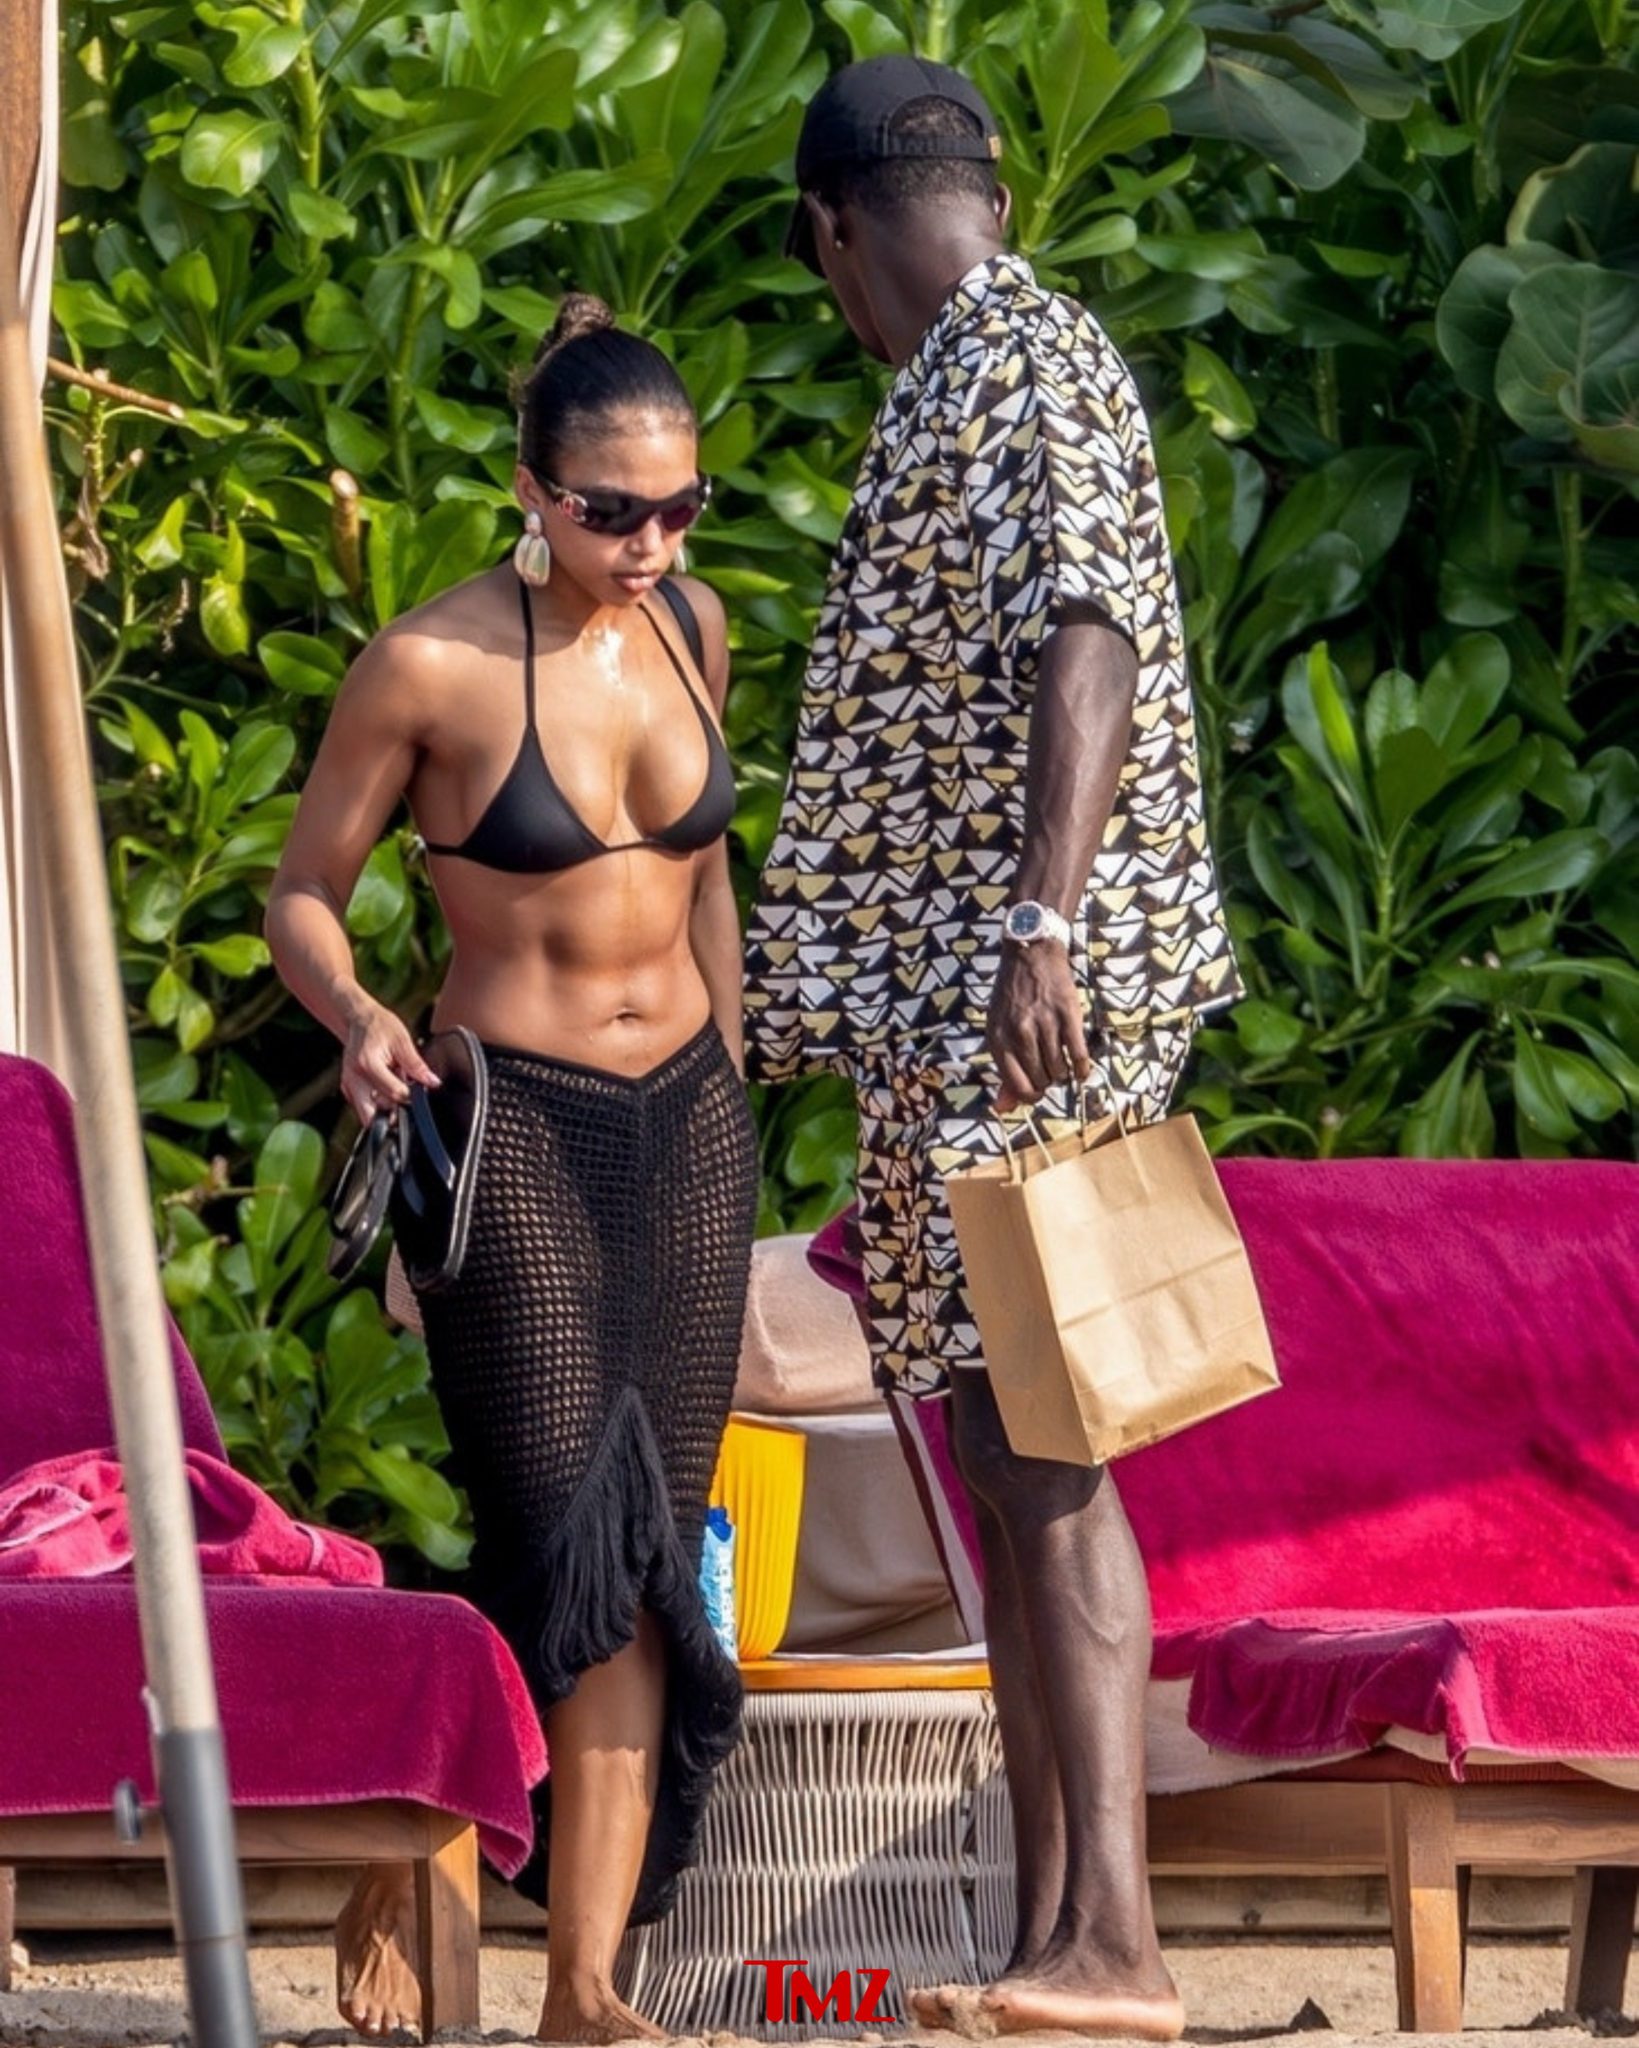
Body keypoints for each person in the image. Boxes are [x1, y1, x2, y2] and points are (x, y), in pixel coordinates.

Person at [743, 56, 1242, 2040]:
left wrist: (1041, 921)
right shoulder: (956, 375)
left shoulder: (1027, 366)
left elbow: (1086, 632)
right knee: (988, 1449)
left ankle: (1115, 1942)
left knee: (1048, 1449)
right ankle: (1052, 1938)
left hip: (1026, 1006)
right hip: (943, 1015)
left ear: (831, 231)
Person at [266, 294, 757, 2045]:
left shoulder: (693, 628)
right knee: (557, 1521)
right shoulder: (429, 666)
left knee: (648, 1550)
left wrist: (741, 1079)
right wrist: (354, 1015)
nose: (652, 543)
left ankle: (582, 1988)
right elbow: (302, 891)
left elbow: (706, 879)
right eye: (613, 511)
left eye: (681, 506)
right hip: (517, 1119)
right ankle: (419, 1836)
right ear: (532, 493)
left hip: (690, 1122)